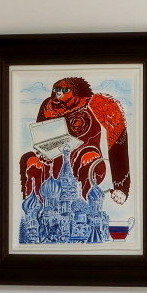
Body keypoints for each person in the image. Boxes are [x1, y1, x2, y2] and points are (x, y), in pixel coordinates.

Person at [19, 77, 130, 205]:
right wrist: (42, 153)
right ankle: (38, 209)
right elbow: (41, 137)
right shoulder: (48, 105)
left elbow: (118, 141)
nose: (58, 94)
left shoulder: (97, 103)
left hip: (84, 162)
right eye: (56, 90)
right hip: (52, 167)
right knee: (31, 161)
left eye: (65, 90)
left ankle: (81, 207)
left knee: (89, 158)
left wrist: (121, 186)